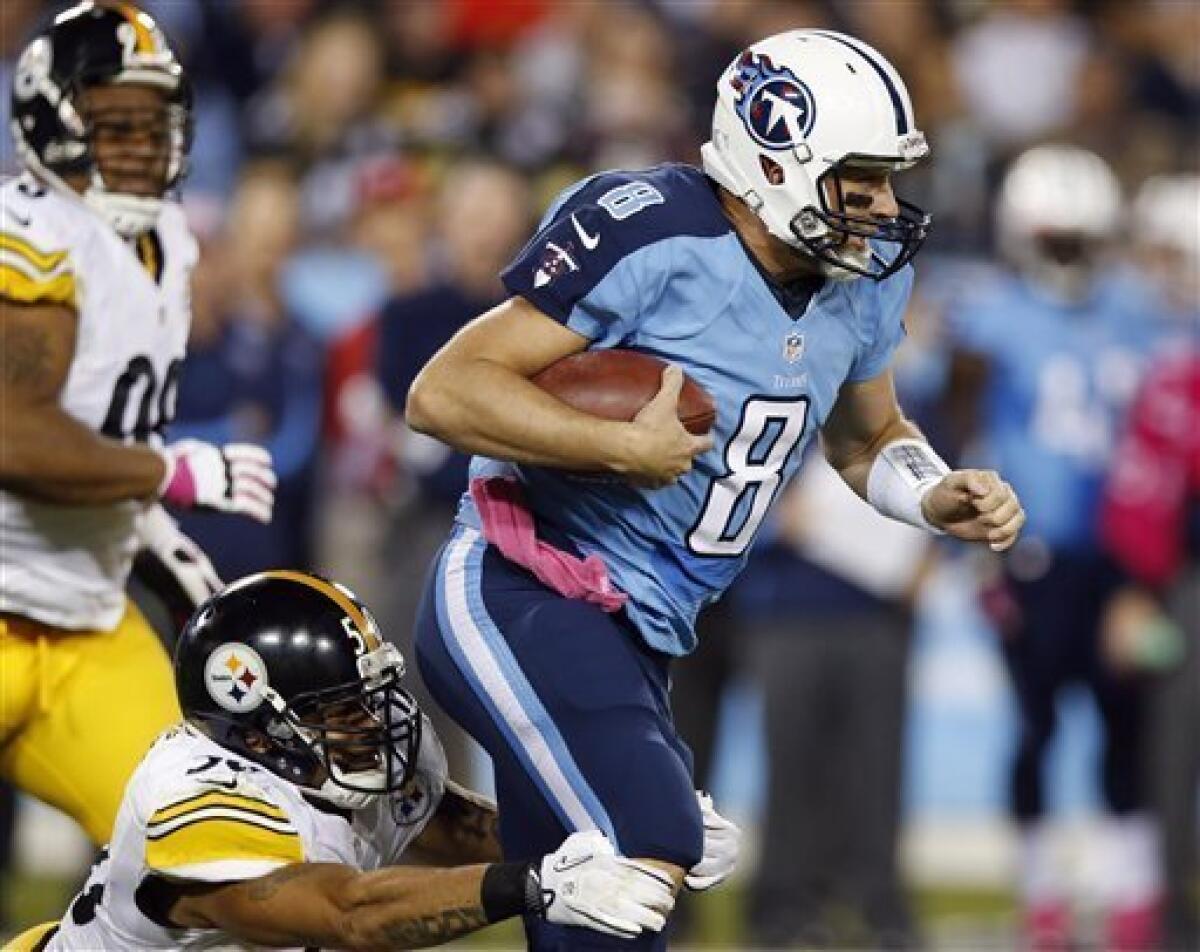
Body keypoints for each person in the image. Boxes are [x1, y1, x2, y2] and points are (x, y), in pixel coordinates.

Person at [407, 29, 1025, 949]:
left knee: (589, 909)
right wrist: (613, 444)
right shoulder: (651, 229)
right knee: (649, 846)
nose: (885, 205)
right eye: (860, 178)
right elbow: (442, 391)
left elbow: (870, 438)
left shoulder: (860, 283)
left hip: (644, 634)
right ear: (778, 157)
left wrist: (932, 493)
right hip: (521, 587)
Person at [7, 571, 677, 951]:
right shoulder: (191, 796)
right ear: (259, 727)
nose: (373, 723)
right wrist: (535, 884)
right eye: (342, 707)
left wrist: (616, 837)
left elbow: (440, 822)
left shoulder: (340, 761)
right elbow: (347, 913)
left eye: (372, 697)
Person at [0, 1, 275, 845]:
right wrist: (171, 473)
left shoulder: (170, 244)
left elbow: (100, 430)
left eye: (154, 123)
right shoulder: (30, 230)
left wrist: (157, 539)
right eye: (114, 123)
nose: (142, 145)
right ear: (51, 121)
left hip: (82, 617)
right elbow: (13, 434)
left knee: (207, 859)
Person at [944, 145, 1169, 951]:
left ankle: (1129, 894)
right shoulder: (988, 317)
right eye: (1057, 240)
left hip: (1123, 559)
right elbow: (956, 428)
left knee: (1125, 725)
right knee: (1035, 727)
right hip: (1029, 553)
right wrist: (972, 549)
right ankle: (1042, 893)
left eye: (1080, 240)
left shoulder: (1140, 308)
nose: (1069, 256)